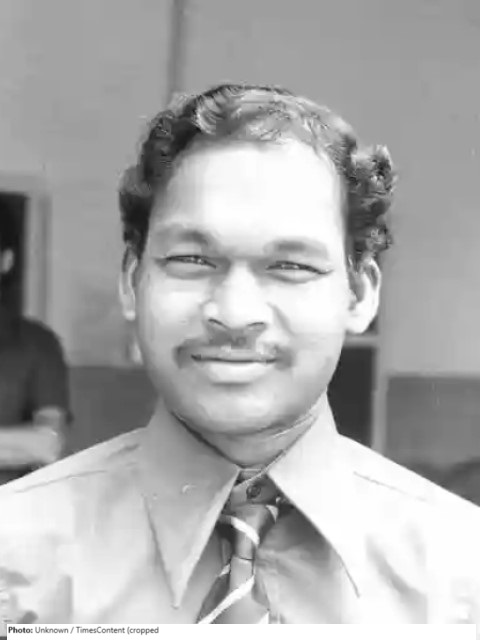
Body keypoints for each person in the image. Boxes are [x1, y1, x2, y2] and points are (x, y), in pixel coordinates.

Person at [0, 83, 479, 626]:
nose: (234, 313)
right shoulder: (15, 566)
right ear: (133, 281)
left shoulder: (462, 580)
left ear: (360, 293)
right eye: (191, 259)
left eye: (291, 266)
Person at [0, 218, 70, 485]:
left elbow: (47, 445)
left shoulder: (37, 343)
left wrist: (32, 443)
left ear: (5, 261)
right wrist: (15, 444)